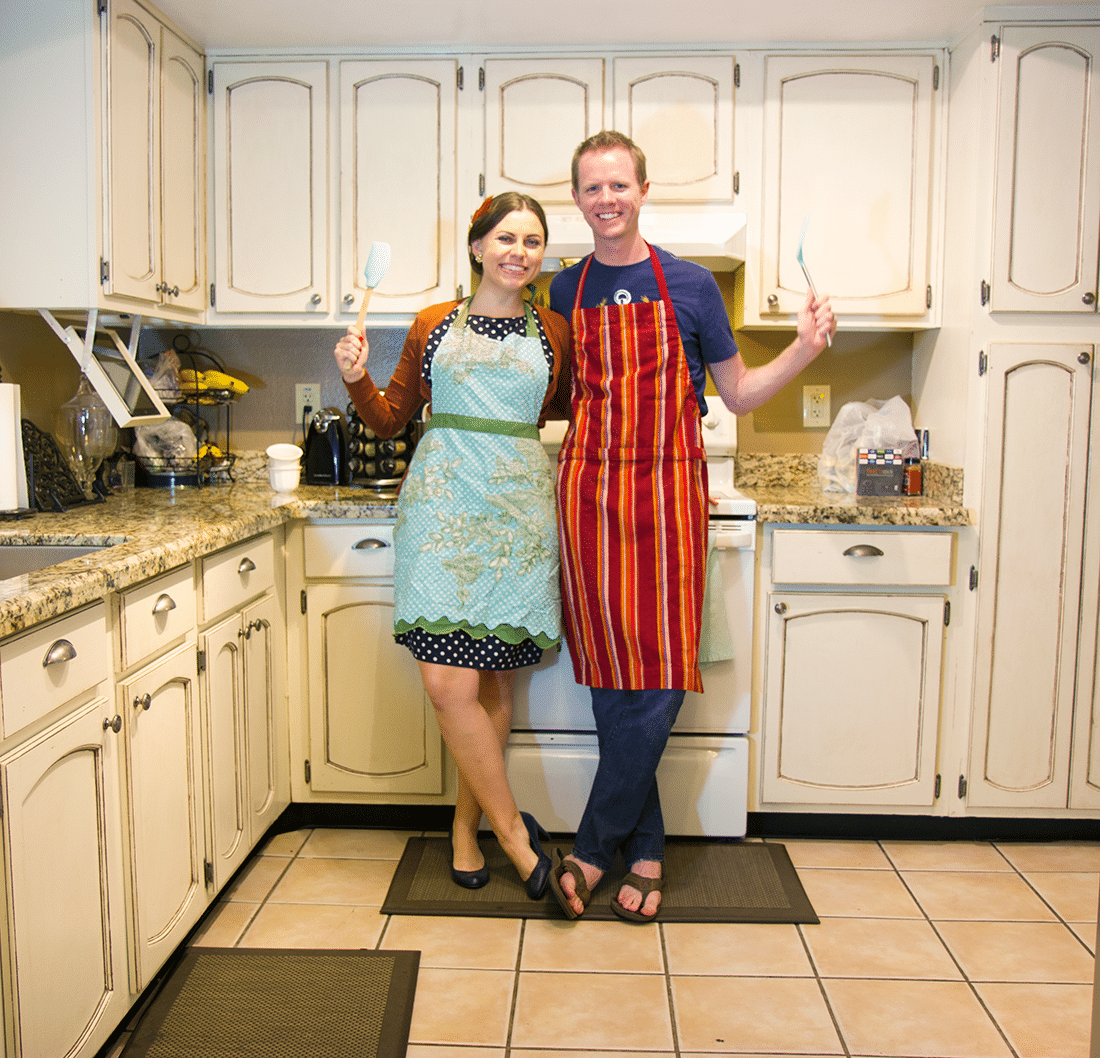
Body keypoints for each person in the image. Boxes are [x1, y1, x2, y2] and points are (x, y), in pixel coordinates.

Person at [548, 130, 836, 922]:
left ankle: (593, 845)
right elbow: (544, 392)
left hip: (673, 491)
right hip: (591, 496)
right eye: (592, 188)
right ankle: (644, 849)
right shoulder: (562, 292)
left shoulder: (692, 284)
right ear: (576, 200)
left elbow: (737, 395)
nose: (607, 200)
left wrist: (806, 351)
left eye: (620, 185)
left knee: (664, 674)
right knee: (611, 675)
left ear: (644, 190)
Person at [333, 192, 571, 899]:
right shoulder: (434, 324)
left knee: (492, 679)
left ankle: (467, 829)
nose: (518, 252)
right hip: (441, 510)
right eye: (505, 238)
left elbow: (573, 412)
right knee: (448, 683)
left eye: (532, 241)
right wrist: (354, 376)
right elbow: (387, 420)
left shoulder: (553, 330)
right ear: (476, 247)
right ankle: (518, 841)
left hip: (518, 517)